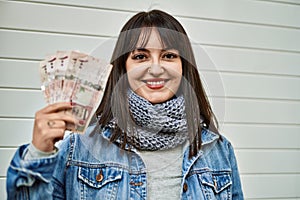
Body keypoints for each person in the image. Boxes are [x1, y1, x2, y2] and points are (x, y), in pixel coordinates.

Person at [6, 10, 244, 199]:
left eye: (169, 55)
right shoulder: (78, 147)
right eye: (140, 56)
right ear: (124, 68)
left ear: (184, 67)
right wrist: (38, 153)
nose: (155, 68)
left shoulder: (220, 151)